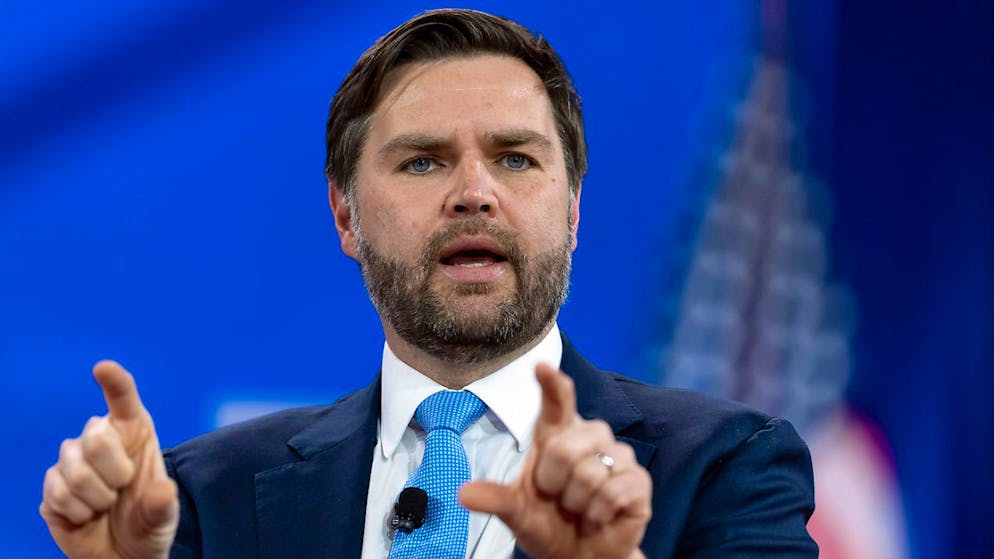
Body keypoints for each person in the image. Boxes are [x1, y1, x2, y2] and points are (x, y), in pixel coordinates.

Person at [39, 8, 817, 559]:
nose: (474, 193)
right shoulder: (208, 496)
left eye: (515, 158)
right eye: (423, 161)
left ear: (573, 209)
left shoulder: (724, 466)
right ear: (346, 214)